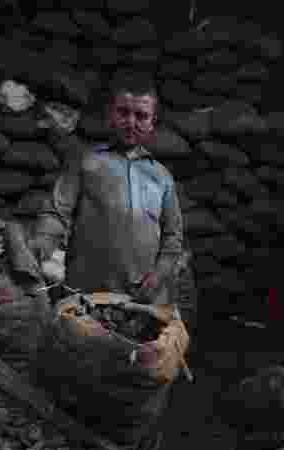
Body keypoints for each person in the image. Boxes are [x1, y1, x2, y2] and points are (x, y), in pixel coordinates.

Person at [30, 71, 185, 307]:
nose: (131, 122)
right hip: (87, 296)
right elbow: (56, 213)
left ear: (152, 123)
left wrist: (159, 275)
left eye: (141, 116)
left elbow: (173, 239)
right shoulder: (85, 161)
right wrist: (41, 246)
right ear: (110, 115)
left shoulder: (162, 177)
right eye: (123, 112)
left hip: (144, 300)